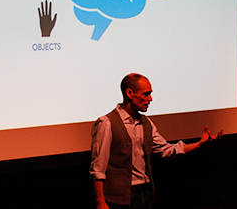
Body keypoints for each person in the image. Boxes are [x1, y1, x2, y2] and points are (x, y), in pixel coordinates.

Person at [89, 73, 223, 209]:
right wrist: (100, 201)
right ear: (130, 93)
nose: (150, 99)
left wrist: (199, 144)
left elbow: (166, 150)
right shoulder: (107, 123)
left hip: (144, 195)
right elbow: (98, 168)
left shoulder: (146, 123)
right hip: (119, 199)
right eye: (146, 94)